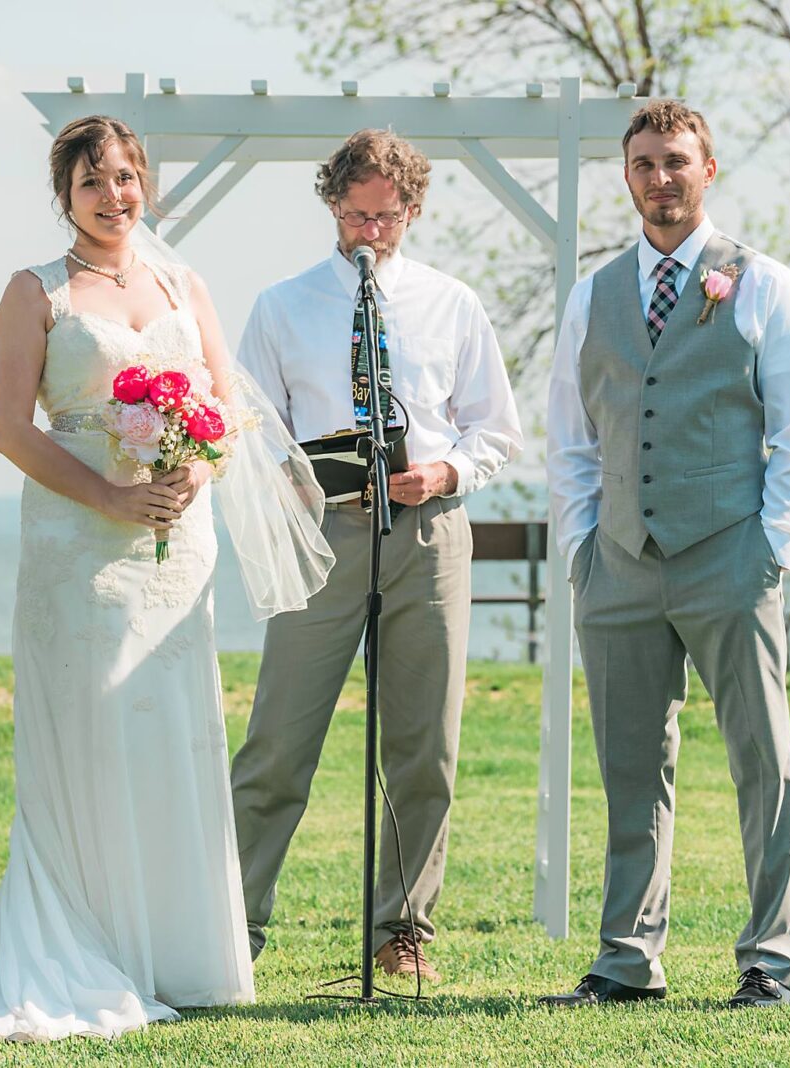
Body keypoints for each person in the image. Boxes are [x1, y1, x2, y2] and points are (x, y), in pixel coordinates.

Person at [0, 115, 331, 1042]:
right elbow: (8, 428)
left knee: (173, 731)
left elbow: (226, 406)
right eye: (94, 182)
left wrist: (200, 464)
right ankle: (83, 945)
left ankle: (180, 954)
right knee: (94, 732)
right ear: (64, 195)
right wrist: (105, 494)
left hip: (179, 549)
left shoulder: (185, 284)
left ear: (146, 183)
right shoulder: (35, 294)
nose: (115, 196)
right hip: (80, 547)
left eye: (127, 177)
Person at [541, 100, 790, 1010]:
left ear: (708, 170)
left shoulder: (763, 282)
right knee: (630, 766)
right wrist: (584, 547)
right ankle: (628, 959)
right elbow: (572, 437)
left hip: (730, 556)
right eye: (643, 164)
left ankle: (772, 957)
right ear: (625, 178)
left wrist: (772, 549)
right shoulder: (594, 295)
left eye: (676, 161)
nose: (660, 178)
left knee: (761, 760)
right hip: (618, 561)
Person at [229, 129, 523, 982]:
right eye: (356, 216)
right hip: (323, 539)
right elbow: (252, 427)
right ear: (331, 206)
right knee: (279, 741)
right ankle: (236, 926)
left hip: (429, 536)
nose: (370, 233)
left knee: (424, 743)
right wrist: (298, 482)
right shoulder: (283, 306)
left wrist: (447, 470)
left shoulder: (451, 302)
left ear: (413, 211)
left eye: (386, 218)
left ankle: (403, 931)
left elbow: (495, 429)